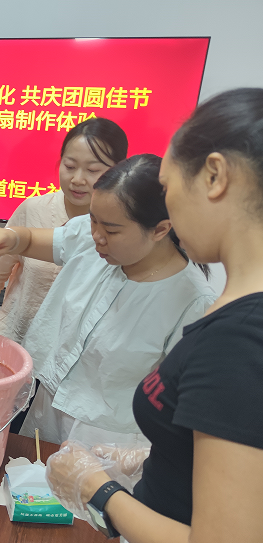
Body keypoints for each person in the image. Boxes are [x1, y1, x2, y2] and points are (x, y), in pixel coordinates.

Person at [44, 88, 263, 543]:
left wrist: (98, 489)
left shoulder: (237, 338)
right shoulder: (236, 318)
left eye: (168, 185)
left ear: (215, 176)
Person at [0, 154, 216, 446]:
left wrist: (131, 460)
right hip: (45, 411)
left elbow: (181, 402)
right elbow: (29, 240)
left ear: (161, 229)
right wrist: (9, 238)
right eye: (92, 220)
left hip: (109, 439)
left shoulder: (192, 302)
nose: (97, 236)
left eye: (111, 230)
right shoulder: (90, 240)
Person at [0, 118, 128, 345]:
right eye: (70, 166)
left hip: (74, 352)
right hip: (16, 342)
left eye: (93, 170)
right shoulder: (33, 210)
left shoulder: (123, 228)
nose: (77, 179)